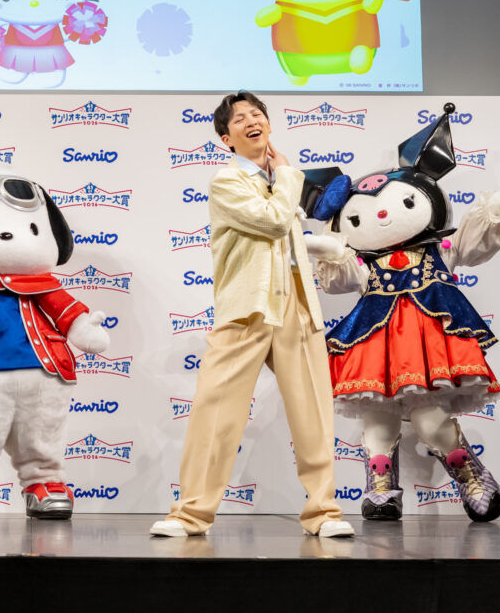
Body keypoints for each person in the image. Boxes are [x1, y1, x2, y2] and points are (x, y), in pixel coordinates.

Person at [150, 91, 353, 539]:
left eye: (256, 114)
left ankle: (324, 513)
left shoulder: (281, 180)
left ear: (269, 124)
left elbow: (286, 236)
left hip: (297, 302)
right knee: (216, 411)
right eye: (239, 119)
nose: (250, 121)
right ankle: (190, 514)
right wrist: (289, 176)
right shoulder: (229, 180)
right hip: (248, 306)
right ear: (227, 138)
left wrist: (285, 181)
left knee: (314, 414)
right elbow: (273, 221)